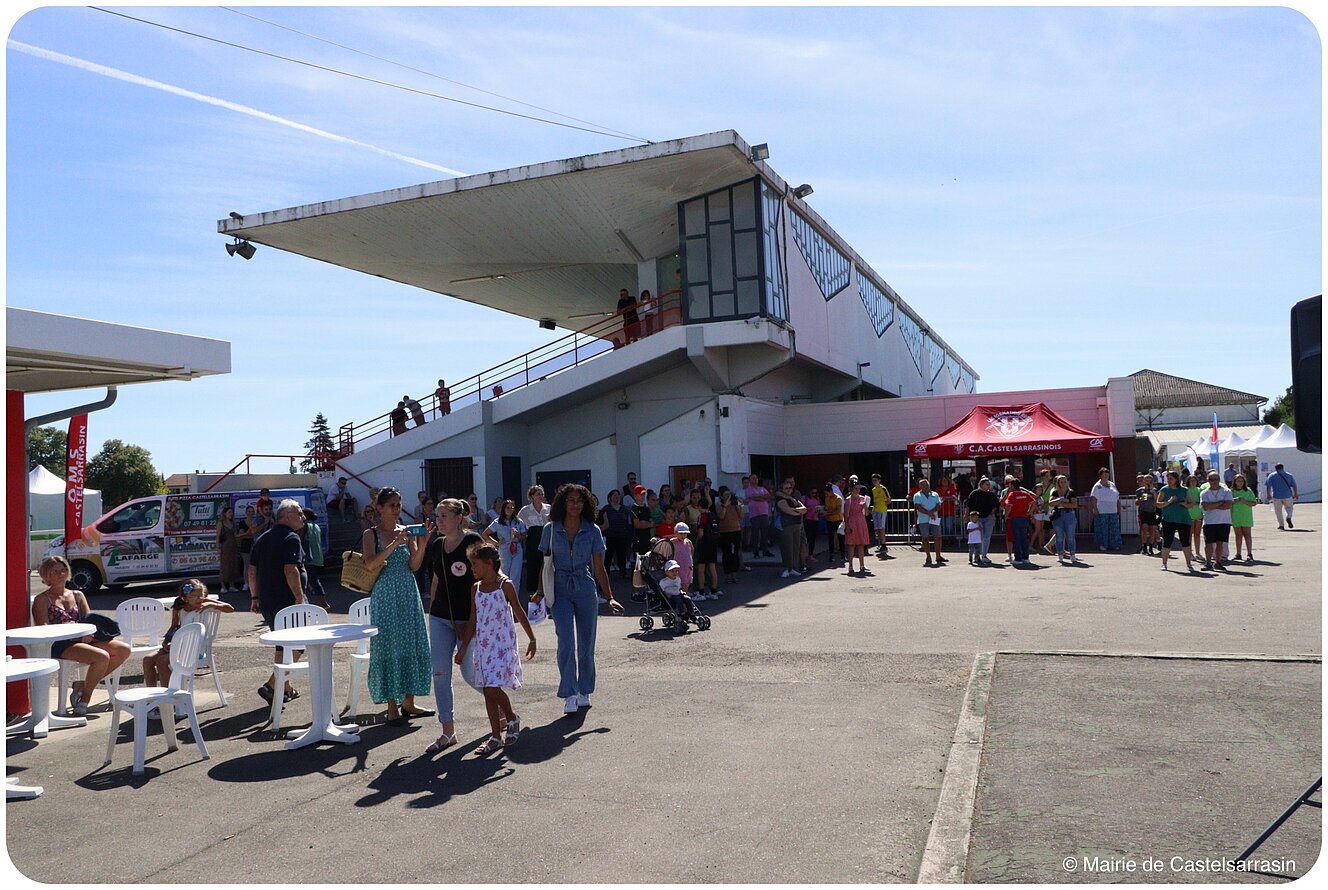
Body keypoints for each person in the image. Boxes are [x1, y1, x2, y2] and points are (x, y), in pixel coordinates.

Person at [536, 483, 623, 714]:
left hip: (585, 588)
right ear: (563, 503)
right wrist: (540, 592)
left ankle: (584, 690)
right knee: (565, 642)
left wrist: (610, 597)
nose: (575, 505)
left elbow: (599, 566)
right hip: (560, 588)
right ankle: (569, 693)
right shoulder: (550, 529)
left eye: (579, 501)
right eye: (571, 500)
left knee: (586, 644)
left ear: (586, 504)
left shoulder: (593, 530)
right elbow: (544, 565)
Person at [456, 543, 536, 755]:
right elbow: (473, 620)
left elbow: (519, 611)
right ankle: (495, 736)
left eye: (475, 564)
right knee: (488, 692)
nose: (472, 569)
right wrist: (463, 648)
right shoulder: (476, 588)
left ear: (489, 563)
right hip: (483, 647)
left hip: (502, 645)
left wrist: (532, 638)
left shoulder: (505, 585)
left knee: (492, 688)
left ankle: (511, 718)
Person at [32, 555, 132, 716]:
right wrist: (74, 635)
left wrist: (88, 634)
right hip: (60, 644)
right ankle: (85, 698)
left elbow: (89, 620)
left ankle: (81, 685)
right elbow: (43, 629)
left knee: (124, 649)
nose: (60, 573)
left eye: (63, 569)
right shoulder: (42, 599)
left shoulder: (77, 595)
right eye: (55, 571)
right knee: (101, 657)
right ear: (46, 575)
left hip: (86, 639)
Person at [424, 498, 483, 753]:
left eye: (444, 515)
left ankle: (501, 708)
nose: (439, 520)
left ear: (459, 518)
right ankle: (448, 732)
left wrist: (480, 616)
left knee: (470, 673)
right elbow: (436, 579)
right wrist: (431, 610)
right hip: (440, 617)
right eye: (437, 515)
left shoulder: (472, 542)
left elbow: (487, 576)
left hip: (466, 619)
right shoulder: (436, 545)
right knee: (440, 674)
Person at [248, 499, 309, 703]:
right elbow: (290, 569)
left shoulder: (263, 538)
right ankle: (272, 685)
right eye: (299, 513)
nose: (303, 517)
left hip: (268, 601)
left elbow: (252, 570)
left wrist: (254, 597)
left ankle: (284, 688)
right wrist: (300, 598)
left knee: (283, 646)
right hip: (288, 603)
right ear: (286, 516)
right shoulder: (291, 538)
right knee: (299, 646)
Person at [142, 579, 234, 696]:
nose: (199, 599)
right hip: (180, 645)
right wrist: (166, 640)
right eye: (194, 596)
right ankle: (154, 694)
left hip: (195, 649)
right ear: (185, 598)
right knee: (148, 659)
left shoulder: (205, 603)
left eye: (201, 595)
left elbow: (230, 608)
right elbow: (174, 626)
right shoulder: (179, 608)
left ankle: (170, 698)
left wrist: (212, 604)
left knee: (162, 661)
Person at [1156, 471, 1197, 572]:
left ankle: (1188, 563)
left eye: (1171, 479)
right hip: (1168, 519)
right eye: (1168, 479)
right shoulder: (1164, 489)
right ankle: (1164, 564)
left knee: (1185, 542)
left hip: (1183, 519)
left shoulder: (1184, 490)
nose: (1169, 481)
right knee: (1167, 542)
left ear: (1176, 480)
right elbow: (1158, 504)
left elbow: (1191, 503)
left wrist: (1185, 505)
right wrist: (1169, 501)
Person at [483, 499, 527, 594]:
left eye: (512, 508)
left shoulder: (518, 521)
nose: (510, 510)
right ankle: (503, 597)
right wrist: (496, 543)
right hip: (505, 547)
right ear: (503, 509)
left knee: (515, 574)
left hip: (516, 547)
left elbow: (524, 536)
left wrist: (518, 535)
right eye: (508, 508)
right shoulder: (498, 522)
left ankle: (514, 599)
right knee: (504, 573)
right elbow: (485, 534)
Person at [773, 478, 807, 578]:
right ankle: (786, 568)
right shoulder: (781, 500)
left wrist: (794, 510)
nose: (788, 490)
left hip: (797, 525)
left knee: (795, 547)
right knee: (787, 548)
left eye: (790, 488)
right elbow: (786, 510)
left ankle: (793, 568)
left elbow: (804, 509)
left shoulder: (794, 499)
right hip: (786, 526)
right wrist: (796, 511)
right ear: (782, 489)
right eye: (786, 488)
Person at [1000, 480, 1039, 567]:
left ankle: (1018, 558)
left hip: (1014, 518)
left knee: (1016, 539)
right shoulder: (1025, 493)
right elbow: (1034, 502)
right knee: (1024, 538)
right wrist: (1029, 512)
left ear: (1012, 486)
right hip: (1024, 518)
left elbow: (1009, 506)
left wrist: (1006, 516)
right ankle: (1026, 558)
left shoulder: (1012, 494)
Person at [596, 489, 634, 578]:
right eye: (614, 495)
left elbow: (628, 521)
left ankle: (623, 573)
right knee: (609, 556)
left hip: (622, 535)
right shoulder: (606, 508)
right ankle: (606, 574)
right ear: (610, 498)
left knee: (622, 555)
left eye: (618, 495)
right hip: (611, 536)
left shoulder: (624, 508)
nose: (617, 497)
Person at [964, 477, 999, 565]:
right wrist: (966, 515)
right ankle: (977, 556)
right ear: (981, 485)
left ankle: (984, 555)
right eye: (987, 484)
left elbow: (996, 504)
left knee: (987, 537)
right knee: (979, 537)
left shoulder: (991, 494)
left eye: (989, 484)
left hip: (988, 517)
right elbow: (968, 505)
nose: (988, 486)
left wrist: (993, 511)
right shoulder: (974, 493)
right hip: (977, 518)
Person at [301, 508, 331, 610]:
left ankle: (324, 603)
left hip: (308, 558)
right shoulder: (316, 526)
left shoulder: (304, 526)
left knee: (312, 581)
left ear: (307, 516)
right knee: (312, 580)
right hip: (317, 557)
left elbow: (299, 539)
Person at [1047, 475, 1080, 565]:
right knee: (1059, 536)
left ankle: (1072, 555)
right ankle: (1060, 555)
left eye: (1065, 481)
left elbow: (1074, 505)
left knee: (1070, 536)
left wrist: (1062, 503)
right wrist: (1061, 500)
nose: (1063, 483)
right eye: (1061, 482)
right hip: (1058, 515)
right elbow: (1051, 503)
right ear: (1058, 483)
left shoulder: (1071, 492)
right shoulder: (1055, 492)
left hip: (1069, 514)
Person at [715, 486, 744, 586]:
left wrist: (738, 506)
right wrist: (726, 506)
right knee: (726, 553)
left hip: (736, 530)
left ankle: (734, 574)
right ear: (721, 496)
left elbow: (741, 516)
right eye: (726, 495)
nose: (728, 497)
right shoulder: (719, 504)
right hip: (725, 531)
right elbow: (721, 516)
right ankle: (727, 574)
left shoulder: (734, 503)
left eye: (729, 495)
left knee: (735, 552)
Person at [692, 502, 721, 599]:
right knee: (712, 568)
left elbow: (701, 533)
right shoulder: (713, 515)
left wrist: (697, 541)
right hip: (713, 543)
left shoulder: (702, 516)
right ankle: (714, 591)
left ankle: (701, 593)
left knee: (701, 569)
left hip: (704, 544)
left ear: (700, 507)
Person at [1090, 468, 1122, 552]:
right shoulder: (1097, 486)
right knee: (1102, 529)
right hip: (1102, 510)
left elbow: (1117, 497)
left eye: (1107, 475)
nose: (1106, 477)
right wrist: (1095, 509)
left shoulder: (1112, 484)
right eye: (1104, 475)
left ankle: (1114, 544)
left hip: (1113, 510)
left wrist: (1118, 508)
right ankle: (1103, 544)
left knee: (1114, 529)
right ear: (1100, 476)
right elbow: (1093, 498)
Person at [843, 483, 871, 574]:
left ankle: (862, 565)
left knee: (861, 544)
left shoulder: (863, 498)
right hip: (852, 522)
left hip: (861, 522)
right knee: (851, 545)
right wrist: (847, 526)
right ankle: (850, 566)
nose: (857, 490)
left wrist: (866, 506)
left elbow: (866, 513)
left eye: (858, 489)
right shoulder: (848, 500)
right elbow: (846, 515)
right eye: (855, 488)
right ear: (851, 489)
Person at [1231, 473, 1258, 563]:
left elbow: (1254, 503)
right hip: (1236, 516)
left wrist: (1245, 501)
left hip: (1246, 515)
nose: (1240, 482)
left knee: (1247, 534)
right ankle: (1238, 553)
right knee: (1238, 535)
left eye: (1242, 481)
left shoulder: (1248, 491)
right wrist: (1235, 500)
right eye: (1238, 481)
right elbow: (1228, 502)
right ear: (1235, 482)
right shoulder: (1231, 491)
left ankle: (1249, 553)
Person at [215, 505, 242, 593]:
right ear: (225, 514)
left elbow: (235, 535)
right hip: (224, 546)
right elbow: (218, 536)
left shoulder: (232, 523)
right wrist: (218, 547)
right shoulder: (221, 523)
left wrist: (245, 534)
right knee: (224, 566)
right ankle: (223, 586)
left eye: (232, 512)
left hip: (233, 546)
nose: (231, 514)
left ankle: (232, 585)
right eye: (229, 512)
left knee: (233, 565)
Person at [744, 475, 773, 557]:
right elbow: (754, 498)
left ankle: (765, 550)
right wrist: (763, 498)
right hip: (754, 514)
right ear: (750, 480)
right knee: (755, 533)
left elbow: (769, 497)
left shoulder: (762, 489)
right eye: (753, 478)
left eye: (756, 478)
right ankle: (755, 552)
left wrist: (761, 497)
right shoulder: (748, 489)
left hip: (764, 513)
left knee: (765, 533)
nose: (755, 480)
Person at [1264, 463, 1298, 530]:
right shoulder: (1289, 475)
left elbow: (1268, 486)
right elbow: (1294, 485)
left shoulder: (1271, 475)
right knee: (1289, 508)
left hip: (1276, 496)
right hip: (1287, 495)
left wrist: (1268, 494)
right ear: (1283, 467)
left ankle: (1281, 525)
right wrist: (1296, 494)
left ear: (1275, 468)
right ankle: (1288, 517)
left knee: (1278, 511)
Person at [1134, 474, 1161, 555]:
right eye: (1146, 480)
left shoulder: (1155, 490)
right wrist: (1140, 499)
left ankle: (1151, 547)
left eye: (1149, 480)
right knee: (1144, 529)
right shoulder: (1140, 490)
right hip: (1144, 511)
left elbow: (1157, 500)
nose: (1147, 482)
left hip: (1152, 511)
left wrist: (1153, 491)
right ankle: (1144, 546)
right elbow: (1137, 503)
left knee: (1152, 529)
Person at [667, 521, 695, 595]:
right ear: (675, 533)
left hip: (688, 567)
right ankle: (685, 602)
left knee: (688, 582)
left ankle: (684, 597)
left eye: (685, 533)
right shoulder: (673, 541)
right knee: (683, 584)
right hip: (680, 568)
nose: (683, 535)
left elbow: (691, 550)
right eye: (681, 533)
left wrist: (689, 560)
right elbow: (664, 542)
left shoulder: (688, 542)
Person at [870, 473, 892, 556]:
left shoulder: (883, 488)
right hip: (875, 510)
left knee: (882, 528)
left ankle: (884, 545)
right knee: (877, 528)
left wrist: (883, 505)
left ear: (879, 480)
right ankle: (880, 543)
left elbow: (889, 500)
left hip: (882, 510)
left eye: (876, 480)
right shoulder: (873, 489)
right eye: (873, 480)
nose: (874, 482)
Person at [823, 482, 844, 563]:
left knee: (840, 537)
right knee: (830, 538)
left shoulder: (838, 498)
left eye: (827, 493)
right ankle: (831, 554)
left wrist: (828, 513)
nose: (826, 495)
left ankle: (843, 554)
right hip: (829, 520)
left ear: (831, 491)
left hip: (837, 519)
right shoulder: (826, 498)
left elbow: (838, 510)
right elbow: (827, 508)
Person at [801, 486, 824, 563]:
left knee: (813, 539)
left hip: (815, 519)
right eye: (812, 492)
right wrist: (809, 509)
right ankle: (804, 555)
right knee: (806, 538)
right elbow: (802, 508)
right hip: (808, 519)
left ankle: (810, 555)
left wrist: (819, 510)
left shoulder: (817, 499)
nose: (814, 494)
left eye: (815, 493)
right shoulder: (805, 498)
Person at [1185, 474, 1205, 551]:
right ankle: (1190, 551)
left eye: (1194, 480)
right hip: (1189, 514)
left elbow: (1201, 501)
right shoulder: (1186, 490)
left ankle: (1197, 552)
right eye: (1191, 481)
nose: (1193, 482)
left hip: (1198, 513)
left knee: (1197, 534)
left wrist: (1197, 503)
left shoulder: (1199, 490)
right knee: (1189, 534)